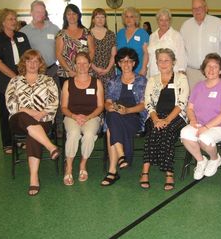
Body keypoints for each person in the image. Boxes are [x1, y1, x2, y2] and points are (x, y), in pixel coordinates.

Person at [5, 49, 60, 196]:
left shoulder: (48, 81)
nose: (32, 64)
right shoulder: (14, 81)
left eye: (36, 61)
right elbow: (11, 104)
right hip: (19, 121)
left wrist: (41, 114)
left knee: (33, 135)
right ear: (24, 62)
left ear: (40, 63)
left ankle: (34, 178)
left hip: (43, 119)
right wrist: (30, 112)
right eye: (29, 60)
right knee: (23, 116)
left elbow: (54, 102)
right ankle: (50, 146)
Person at [180, 53, 221, 180]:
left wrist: (205, 127)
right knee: (185, 134)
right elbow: (189, 108)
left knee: (204, 138)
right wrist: (193, 120)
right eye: (208, 66)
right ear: (204, 69)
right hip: (200, 123)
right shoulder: (198, 86)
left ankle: (215, 159)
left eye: (215, 67)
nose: (211, 70)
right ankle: (200, 160)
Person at [140, 48, 189, 190]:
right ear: (156, 62)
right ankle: (145, 171)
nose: (163, 63)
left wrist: (167, 120)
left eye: (166, 60)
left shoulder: (181, 78)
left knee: (166, 132)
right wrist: (156, 119)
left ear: (173, 62)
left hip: (176, 117)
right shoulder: (152, 79)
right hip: (155, 116)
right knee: (155, 130)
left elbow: (182, 103)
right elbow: (148, 102)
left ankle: (169, 173)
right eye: (160, 60)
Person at [101, 48, 147, 186]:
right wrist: (111, 107)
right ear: (118, 64)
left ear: (134, 63)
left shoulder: (142, 80)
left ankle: (113, 170)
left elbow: (144, 105)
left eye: (129, 61)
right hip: (116, 114)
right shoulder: (113, 81)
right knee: (113, 116)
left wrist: (127, 110)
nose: (126, 64)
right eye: (122, 61)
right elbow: (107, 102)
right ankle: (120, 157)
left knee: (110, 129)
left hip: (135, 116)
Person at [0, 8, 31, 154]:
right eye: (10, 19)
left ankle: (20, 140)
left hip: (22, 80)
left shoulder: (22, 36)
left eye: (15, 18)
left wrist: (26, 76)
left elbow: (28, 57)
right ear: (3, 22)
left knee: (21, 111)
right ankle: (7, 143)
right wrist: (15, 77)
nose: (14, 21)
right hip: (5, 82)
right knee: (6, 112)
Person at [61, 52, 104, 186]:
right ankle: (68, 167)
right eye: (78, 63)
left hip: (91, 117)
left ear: (90, 65)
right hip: (72, 116)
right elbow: (63, 107)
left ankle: (83, 164)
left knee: (89, 134)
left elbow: (100, 106)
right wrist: (74, 116)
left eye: (85, 63)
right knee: (73, 134)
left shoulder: (97, 83)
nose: (82, 66)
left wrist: (88, 117)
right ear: (74, 65)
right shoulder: (68, 83)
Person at [180, 0, 221, 88]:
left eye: (200, 7)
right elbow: (181, 50)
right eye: (194, 8)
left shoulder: (217, 24)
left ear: (206, 8)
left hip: (214, 72)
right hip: (192, 73)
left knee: (215, 99)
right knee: (194, 100)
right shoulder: (185, 26)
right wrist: (181, 68)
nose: (197, 10)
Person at [55, 4, 95, 87]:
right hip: (67, 74)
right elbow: (58, 55)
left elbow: (92, 52)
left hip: (85, 72)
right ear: (65, 16)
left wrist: (84, 68)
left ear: (78, 15)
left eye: (74, 14)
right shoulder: (61, 34)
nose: (71, 16)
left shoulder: (87, 32)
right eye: (69, 14)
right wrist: (69, 71)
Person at [21, 0, 60, 79]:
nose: (41, 14)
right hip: (34, 72)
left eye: (42, 11)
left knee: (55, 91)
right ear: (31, 13)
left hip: (52, 70)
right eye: (37, 11)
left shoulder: (54, 28)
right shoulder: (23, 32)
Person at [147, 8, 187, 77]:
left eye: (166, 20)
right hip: (153, 75)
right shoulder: (152, 36)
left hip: (171, 75)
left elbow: (182, 56)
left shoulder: (176, 36)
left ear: (170, 21)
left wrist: (181, 74)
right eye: (161, 20)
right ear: (157, 21)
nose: (164, 23)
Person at [116, 7, 149, 76]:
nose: (128, 19)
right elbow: (116, 52)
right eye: (126, 17)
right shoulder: (120, 33)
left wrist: (144, 68)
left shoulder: (142, 33)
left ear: (136, 19)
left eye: (131, 17)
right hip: (122, 71)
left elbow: (146, 53)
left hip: (138, 70)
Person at [89, 8, 117, 90]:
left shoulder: (111, 34)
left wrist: (107, 69)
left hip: (109, 71)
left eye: (102, 17)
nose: (100, 20)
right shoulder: (87, 34)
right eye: (97, 17)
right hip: (92, 71)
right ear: (93, 19)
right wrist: (95, 68)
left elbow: (113, 54)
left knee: (109, 98)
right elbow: (86, 55)